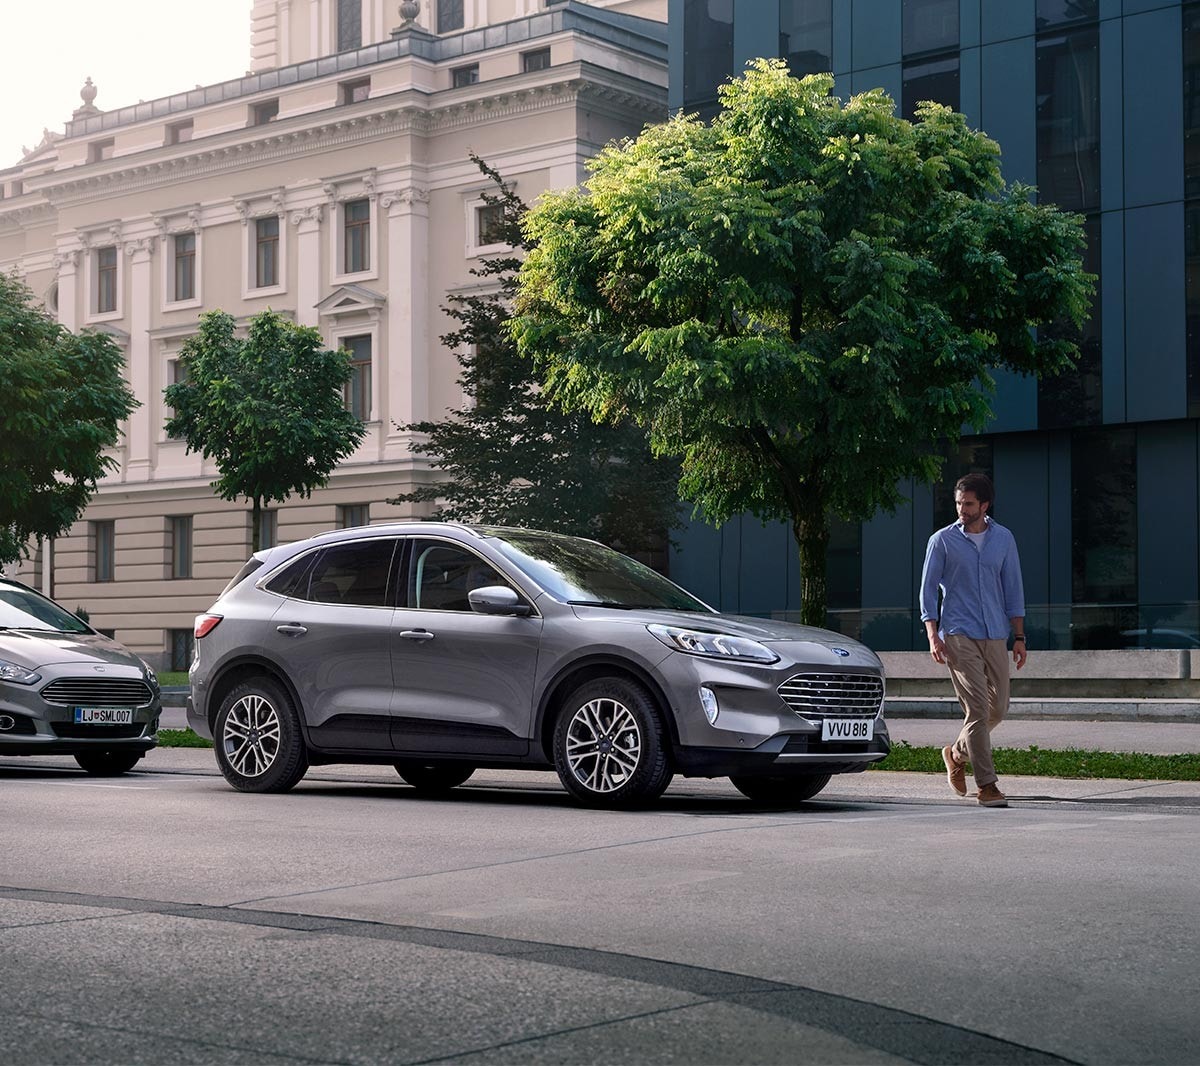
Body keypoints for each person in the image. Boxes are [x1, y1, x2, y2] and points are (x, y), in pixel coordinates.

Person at [919, 473, 1027, 808]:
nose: (961, 509)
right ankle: (988, 786)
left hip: (996, 632)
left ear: (984, 504)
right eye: (958, 503)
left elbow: (1013, 588)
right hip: (958, 633)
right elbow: (927, 590)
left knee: (999, 708)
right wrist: (933, 636)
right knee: (978, 708)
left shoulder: (1004, 539)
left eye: (968, 503)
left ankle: (956, 753)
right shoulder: (942, 540)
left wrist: (1019, 635)